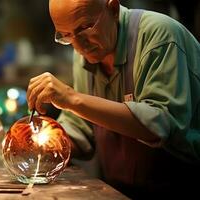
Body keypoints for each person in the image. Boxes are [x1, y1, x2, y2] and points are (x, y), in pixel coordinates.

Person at [26, 0, 200, 198]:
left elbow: (158, 125)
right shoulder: (86, 50)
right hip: (118, 190)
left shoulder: (160, 35)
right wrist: (48, 142)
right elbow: (82, 128)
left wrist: (71, 98)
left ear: (113, 9)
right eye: (66, 35)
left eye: (84, 27)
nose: (78, 45)